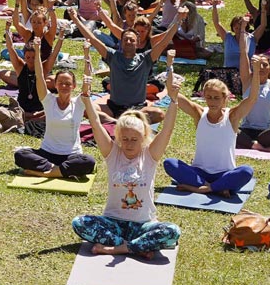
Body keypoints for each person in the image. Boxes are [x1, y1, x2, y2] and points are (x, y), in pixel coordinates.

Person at [72, 73, 182, 260]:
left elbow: (167, 130)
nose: (129, 144)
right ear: (118, 137)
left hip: (143, 225)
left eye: (134, 139)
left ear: (144, 137)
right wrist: (86, 97)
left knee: (172, 231)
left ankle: (119, 248)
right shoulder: (112, 153)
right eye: (125, 139)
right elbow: (96, 123)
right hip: (113, 223)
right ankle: (136, 247)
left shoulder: (150, 154)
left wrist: (173, 100)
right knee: (80, 222)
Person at [161, 70, 259, 199]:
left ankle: (203, 188)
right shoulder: (199, 113)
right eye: (209, 97)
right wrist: (170, 66)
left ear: (225, 98)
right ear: (204, 97)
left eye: (217, 98)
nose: (212, 102)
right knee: (170, 163)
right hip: (200, 173)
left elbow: (252, 98)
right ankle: (216, 188)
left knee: (246, 171)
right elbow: (173, 94)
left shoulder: (232, 116)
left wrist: (256, 70)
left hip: (225, 174)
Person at [13, 46, 96, 181]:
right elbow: (39, 76)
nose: (64, 86)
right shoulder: (48, 100)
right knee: (20, 154)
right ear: (55, 85)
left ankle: (49, 172)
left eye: (68, 84)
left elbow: (87, 81)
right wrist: (38, 50)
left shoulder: (79, 103)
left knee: (89, 161)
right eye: (61, 83)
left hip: (71, 155)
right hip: (47, 154)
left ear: (74, 86)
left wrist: (87, 54)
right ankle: (57, 169)